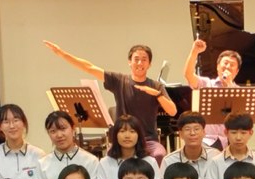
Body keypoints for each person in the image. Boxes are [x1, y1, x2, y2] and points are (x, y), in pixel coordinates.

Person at [43, 40, 176, 159]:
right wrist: (62, 54)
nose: (140, 63)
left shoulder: (156, 86)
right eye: (136, 59)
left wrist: (157, 94)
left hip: (148, 140)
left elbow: (172, 111)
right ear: (129, 62)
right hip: (122, 139)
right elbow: (89, 67)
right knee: (109, 159)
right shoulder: (119, 81)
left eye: (144, 59)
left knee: (159, 155)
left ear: (149, 64)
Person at [183, 39, 241, 148]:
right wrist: (194, 52)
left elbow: (240, 119)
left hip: (232, 140)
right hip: (208, 139)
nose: (228, 66)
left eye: (232, 64)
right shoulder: (206, 83)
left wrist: (229, 84)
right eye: (225, 63)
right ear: (218, 66)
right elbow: (188, 75)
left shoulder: (239, 91)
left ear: (237, 71)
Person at [36, 111, 100, 179]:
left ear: (73, 129)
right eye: (53, 131)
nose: (59, 135)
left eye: (63, 129)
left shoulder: (91, 161)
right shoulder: (43, 164)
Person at [96, 114, 160, 179]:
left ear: (139, 135)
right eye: (122, 131)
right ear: (115, 135)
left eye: (132, 131)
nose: (127, 136)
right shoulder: (105, 163)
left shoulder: (150, 162)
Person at [158, 111, 214, 179]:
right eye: (187, 129)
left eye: (196, 129)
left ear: (204, 132)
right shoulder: (169, 160)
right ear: (180, 134)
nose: (192, 133)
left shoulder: (214, 156)